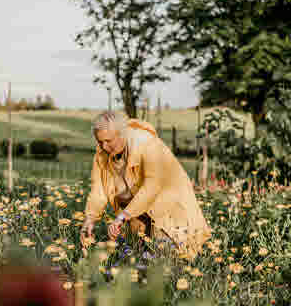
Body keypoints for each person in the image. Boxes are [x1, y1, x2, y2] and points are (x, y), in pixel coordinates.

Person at [80, 111, 211, 260]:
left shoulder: (147, 145)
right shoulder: (102, 153)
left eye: (108, 141)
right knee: (140, 260)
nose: (104, 146)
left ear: (122, 134)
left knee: (169, 260)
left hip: (169, 208)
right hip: (137, 211)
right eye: (100, 141)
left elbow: (152, 186)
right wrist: (89, 219)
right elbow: (99, 190)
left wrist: (122, 217)